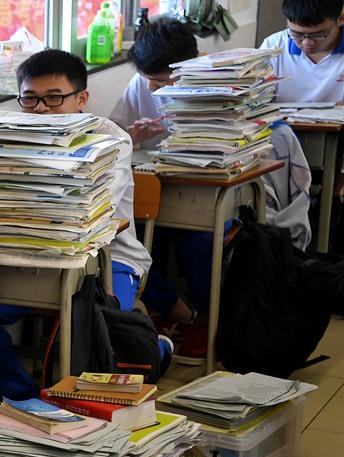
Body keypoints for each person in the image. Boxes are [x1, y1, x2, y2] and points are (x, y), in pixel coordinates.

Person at [0, 49, 166, 398]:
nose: (40, 110)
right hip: (27, 259)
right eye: (30, 99)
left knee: (97, 327)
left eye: (53, 99)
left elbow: (90, 208)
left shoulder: (110, 139)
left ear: (81, 98)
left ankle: (154, 351)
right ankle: (25, 401)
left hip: (108, 261)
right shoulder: (8, 132)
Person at [110, 18, 314, 363]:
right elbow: (114, 135)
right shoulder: (141, 84)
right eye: (151, 82)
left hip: (218, 197)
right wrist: (133, 136)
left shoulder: (222, 84)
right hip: (166, 194)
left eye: (164, 80)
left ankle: (206, 319)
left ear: (188, 65)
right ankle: (172, 310)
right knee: (138, 236)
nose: (158, 90)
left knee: (202, 243)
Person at [259, 0, 344, 104]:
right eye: (297, 34)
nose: (307, 42)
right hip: (283, 119)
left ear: (341, 19)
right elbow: (256, 98)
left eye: (318, 35)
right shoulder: (273, 46)